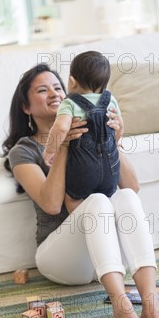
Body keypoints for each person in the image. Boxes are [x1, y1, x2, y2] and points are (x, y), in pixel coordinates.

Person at [2, 63, 159, 318]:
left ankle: (150, 304)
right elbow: (50, 204)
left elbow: (132, 187)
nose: (54, 94)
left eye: (58, 87)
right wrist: (64, 146)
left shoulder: (93, 124)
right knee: (97, 200)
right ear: (26, 107)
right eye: (42, 90)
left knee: (126, 198)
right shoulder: (23, 150)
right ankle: (122, 309)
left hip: (104, 257)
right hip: (59, 258)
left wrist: (113, 140)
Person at [43, 51, 120, 214]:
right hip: (110, 168)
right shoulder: (110, 100)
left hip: (84, 169)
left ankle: (85, 224)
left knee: (73, 199)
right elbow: (119, 126)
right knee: (109, 199)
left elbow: (61, 128)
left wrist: (50, 149)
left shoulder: (69, 103)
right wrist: (116, 140)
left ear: (72, 81)